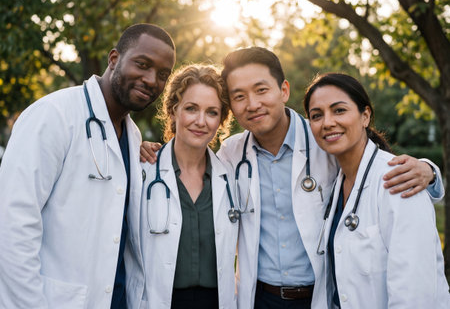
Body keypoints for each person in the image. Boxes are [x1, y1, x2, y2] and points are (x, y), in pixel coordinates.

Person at [140, 47, 444, 309]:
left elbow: (368, 162)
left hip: (318, 296)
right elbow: (188, 155)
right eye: (239, 96)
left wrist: (429, 171)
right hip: (259, 297)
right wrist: (147, 150)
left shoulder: (325, 142)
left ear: (283, 90)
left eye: (261, 90)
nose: (253, 104)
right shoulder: (232, 153)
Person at [0, 23, 176, 309]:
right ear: (114, 59)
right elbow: (11, 227)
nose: (151, 79)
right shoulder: (54, 115)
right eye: (142, 64)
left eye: (162, 75)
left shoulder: (131, 137)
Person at [303, 72, 449, 308]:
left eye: (339, 110)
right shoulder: (335, 180)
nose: (327, 122)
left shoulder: (397, 181)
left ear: (365, 116)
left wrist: (429, 171)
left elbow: (415, 293)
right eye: (316, 115)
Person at [138, 64, 238, 309]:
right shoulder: (143, 171)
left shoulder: (232, 176)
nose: (200, 121)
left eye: (212, 112)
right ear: (173, 111)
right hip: (161, 300)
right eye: (191, 108)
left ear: (222, 120)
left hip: (216, 302)